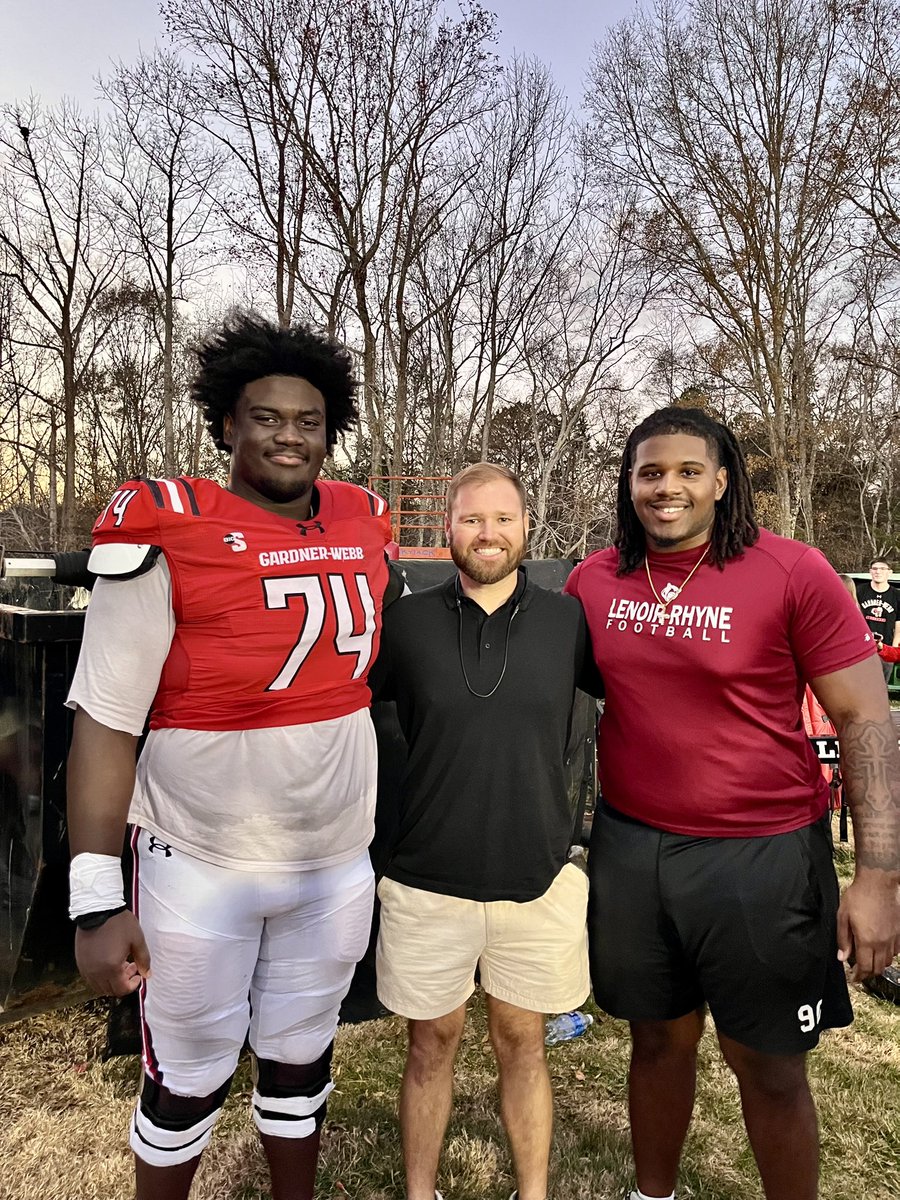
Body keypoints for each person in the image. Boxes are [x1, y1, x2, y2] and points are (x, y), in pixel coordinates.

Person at [65, 313, 395, 1200]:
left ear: (330, 432)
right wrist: (95, 899)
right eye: (266, 416)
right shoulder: (166, 527)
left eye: (309, 420)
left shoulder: (364, 521)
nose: (290, 434)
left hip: (331, 859)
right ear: (225, 424)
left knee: (300, 1060)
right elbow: (103, 721)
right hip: (199, 858)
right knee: (188, 1074)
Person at [564, 407, 900, 1200]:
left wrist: (880, 875)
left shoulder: (792, 571)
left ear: (723, 480)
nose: (667, 487)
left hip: (762, 855)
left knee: (770, 1065)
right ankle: (655, 1195)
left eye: (688, 471)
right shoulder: (595, 580)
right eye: (650, 471)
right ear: (629, 482)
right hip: (633, 846)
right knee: (655, 1041)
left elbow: (867, 721)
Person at [370, 463, 600, 1200]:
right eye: (472, 518)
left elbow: (641, 699)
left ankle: (532, 1192)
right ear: (449, 529)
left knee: (523, 1043)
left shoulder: (569, 622)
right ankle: (419, 1191)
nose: (488, 533)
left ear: (526, 527)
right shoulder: (404, 625)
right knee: (430, 1044)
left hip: (533, 877)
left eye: (503, 518)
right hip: (426, 879)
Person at [857, 558, 900, 682]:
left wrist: (893, 650)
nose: (878, 572)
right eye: (875, 568)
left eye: (882, 568)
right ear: (870, 571)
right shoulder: (860, 591)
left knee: (880, 687)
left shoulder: (896, 596)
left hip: (884, 650)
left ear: (890, 572)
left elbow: (898, 627)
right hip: (861, 648)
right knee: (859, 684)